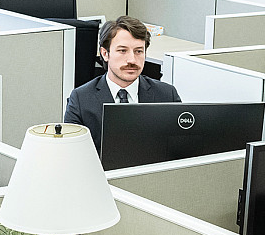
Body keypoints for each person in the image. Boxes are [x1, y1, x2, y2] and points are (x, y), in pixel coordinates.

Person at [63, 15, 181, 149]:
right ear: (105, 54)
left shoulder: (166, 95)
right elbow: (71, 153)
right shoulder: (81, 99)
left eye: (138, 51)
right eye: (122, 51)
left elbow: (179, 150)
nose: (132, 60)